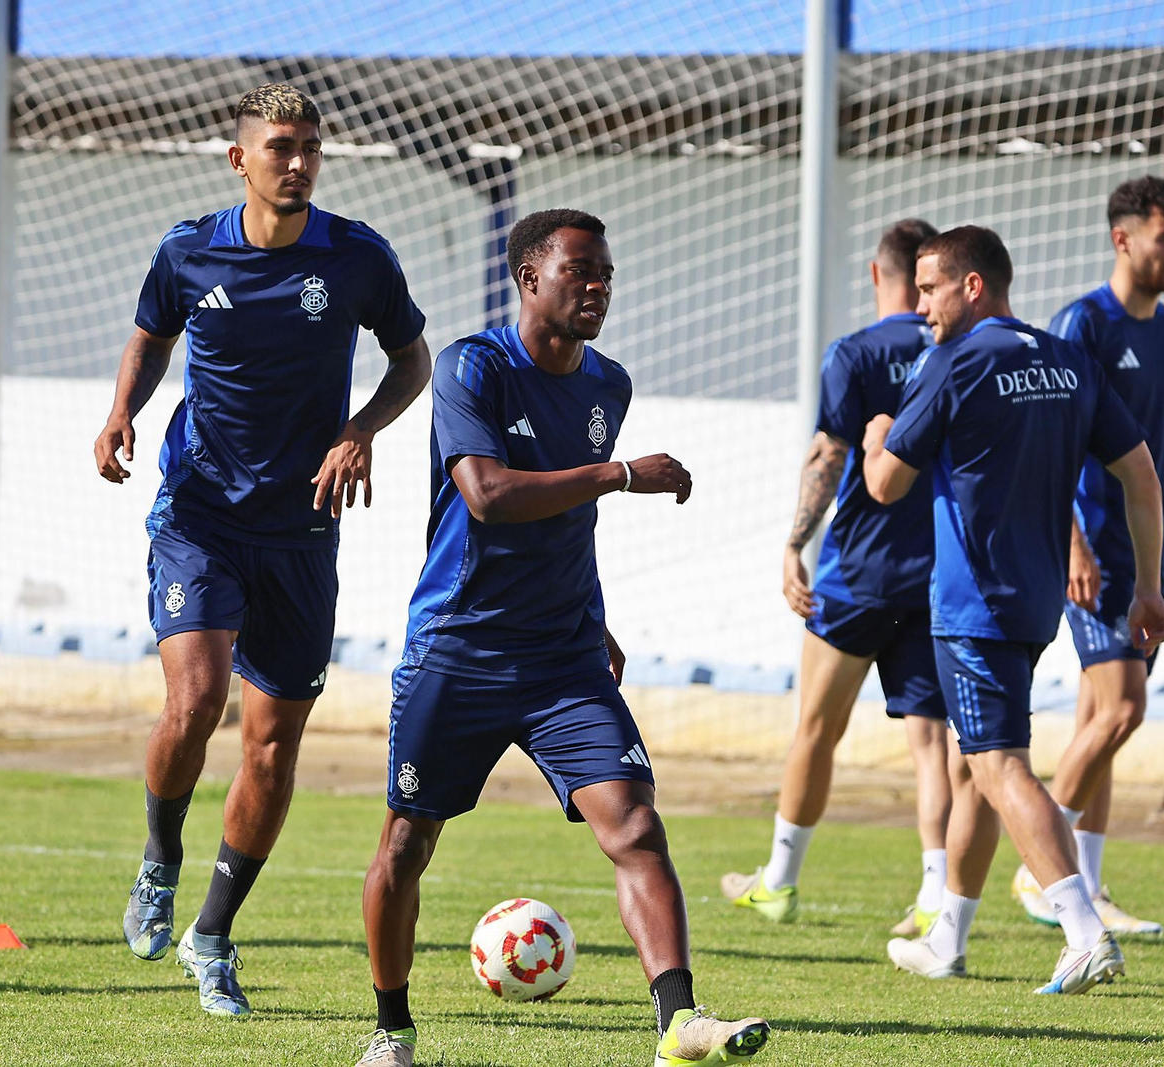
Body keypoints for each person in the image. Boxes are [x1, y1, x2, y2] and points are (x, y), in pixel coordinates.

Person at [351, 210, 769, 1067]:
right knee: (405, 843)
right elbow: (490, 495)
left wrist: (596, 616)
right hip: (458, 650)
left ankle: (679, 1024)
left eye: (606, 273)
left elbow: (561, 519)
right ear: (529, 277)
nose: (598, 286)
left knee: (637, 827)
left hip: (564, 659)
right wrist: (621, 474)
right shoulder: (474, 367)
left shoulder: (607, 383)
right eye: (581, 270)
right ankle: (391, 1031)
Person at [93, 83, 431, 1017]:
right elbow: (150, 335)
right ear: (238, 158)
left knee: (273, 747)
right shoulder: (187, 248)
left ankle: (212, 934)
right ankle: (160, 859)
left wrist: (359, 430)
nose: (299, 161)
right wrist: (123, 407)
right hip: (199, 516)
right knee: (197, 698)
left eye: (311, 147)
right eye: (280, 145)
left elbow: (415, 359)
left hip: (302, 532)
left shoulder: (357, 256)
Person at [864, 225, 1164, 993]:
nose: (920, 305)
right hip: (1036, 605)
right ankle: (948, 938)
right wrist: (1148, 585)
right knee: (979, 771)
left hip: (972, 605)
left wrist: (876, 437)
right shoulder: (1068, 360)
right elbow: (1140, 473)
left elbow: (885, 486)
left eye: (930, 289)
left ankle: (1081, 926)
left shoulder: (952, 363)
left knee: (999, 764)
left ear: (973, 286)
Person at [721, 219, 956, 937]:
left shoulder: (854, 353)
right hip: (936, 573)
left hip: (856, 571)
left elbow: (829, 454)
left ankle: (780, 883)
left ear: (874, 271)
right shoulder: (958, 351)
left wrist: (795, 543)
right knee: (931, 743)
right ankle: (935, 892)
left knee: (816, 730)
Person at [1011, 177, 1164, 935]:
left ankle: (1084, 884)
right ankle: (1042, 865)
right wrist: (1072, 542)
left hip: (1150, 556)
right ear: (1124, 239)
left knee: (1102, 718)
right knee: (1124, 708)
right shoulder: (1082, 325)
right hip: (1093, 551)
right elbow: (1050, 437)